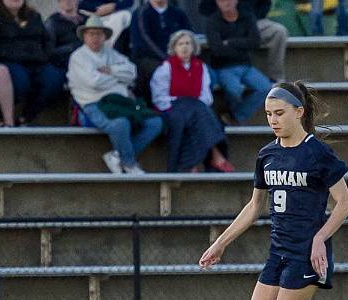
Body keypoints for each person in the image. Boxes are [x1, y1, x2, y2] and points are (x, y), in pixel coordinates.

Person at [198, 81, 348, 300]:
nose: (273, 120)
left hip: (307, 256)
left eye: (280, 113)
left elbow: (344, 204)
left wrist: (319, 238)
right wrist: (220, 243)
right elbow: (254, 207)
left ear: (299, 112)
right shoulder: (267, 154)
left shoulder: (318, 153)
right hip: (277, 254)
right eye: (269, 114)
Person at [68, 16, 164, 174]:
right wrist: (119, 79)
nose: (95, 38)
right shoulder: (78, 57)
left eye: (98, 34)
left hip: (122, 102)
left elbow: (132, 72)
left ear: (104, 36)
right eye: (91, 34)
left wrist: (111, 70)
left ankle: (117, 156)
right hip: (94, 104)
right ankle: (129, 163)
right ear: (84, 36)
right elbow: (94, 82)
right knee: (120, 124)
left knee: (155, 122)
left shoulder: (111, 53)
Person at [150, 30, 235, 172]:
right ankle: (216, 156)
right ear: (174, 47)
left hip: (196, 109)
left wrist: (192, 104)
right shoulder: (165, 68)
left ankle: (193, 164)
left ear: (193, 47)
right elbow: (159, 97)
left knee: (198, 115)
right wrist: (185, 102)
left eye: (188, 43)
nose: (184, 47)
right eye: (180, 44)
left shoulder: (200, 67)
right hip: (172, 108)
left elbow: (206, 96)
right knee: (195, 115)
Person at [0, 0, 66, 125]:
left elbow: (47, 41)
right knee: (21, 81)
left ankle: (26, 117)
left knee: (54, 79)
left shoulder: (34, 16)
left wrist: (44, 56)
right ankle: (0, 117)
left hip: (37, 62)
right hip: (8, 62)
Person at [205, 0, 273, 125]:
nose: (226, 2)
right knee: (234, 90)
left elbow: (255, 42)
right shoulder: (212, 21)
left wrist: (230, 42)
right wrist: (242, 45)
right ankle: (230, 115)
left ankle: (236, 117)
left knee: (267, 88)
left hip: (246, 66)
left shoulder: (247, 16)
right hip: (224, 67)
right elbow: (217, 50)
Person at [199, 0, 288, 81]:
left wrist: (251, 18)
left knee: (279, 31)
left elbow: (266, 4)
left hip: (252, 21)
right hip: (224, 23)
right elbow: (203, 8)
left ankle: (276, 78)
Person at [130, 0, 192, 100]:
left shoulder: (178, 13)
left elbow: (189, 36)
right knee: (164, 73)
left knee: (204, 71)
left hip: (179, 58)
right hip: (149, 59)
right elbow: (143, 42)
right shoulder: (140, 13)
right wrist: (168, 60)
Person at [45, 0, 86, 71]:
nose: (67, 1)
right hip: (66, 65)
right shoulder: (52, 22)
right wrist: (72, 47)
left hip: (89, 61)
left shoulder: (87, 20)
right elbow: (48, 52)